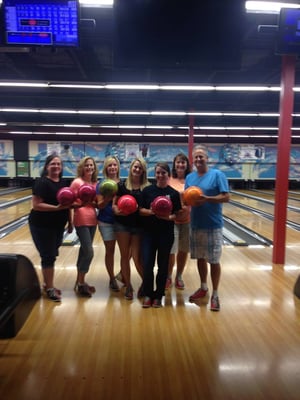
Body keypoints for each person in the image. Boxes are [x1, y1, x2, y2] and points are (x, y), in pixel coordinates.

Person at [186, 144, 230, 311]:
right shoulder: (190, 178)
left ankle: (215, 294)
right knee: (200, 258)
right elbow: (187, 199)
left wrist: (207, 199)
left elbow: (226, 197)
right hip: (195, 224)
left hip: (213, 225)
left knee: (214, 260)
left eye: (201, 157)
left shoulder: (217, 175)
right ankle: (204, 287)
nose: (198, 159)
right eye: (196, 157)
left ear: (207, 158)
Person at [28, 154, 72, 302]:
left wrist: (70, 223)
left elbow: (68, 205)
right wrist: (56, 208)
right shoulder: (42, 183)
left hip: (58, 226)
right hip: (41, 225)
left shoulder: (64, 182)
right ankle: (50, 289)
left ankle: (48, 285)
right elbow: (36, 205)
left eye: (59, 164)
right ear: (47, 166)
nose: (56, 166)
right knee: (48, 256)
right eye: (53, 164)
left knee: (51, 254)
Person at [139, 162, 182, 308]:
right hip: (148, 234)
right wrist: (152, 212)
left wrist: (167, 217)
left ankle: (158, 296)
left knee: (163, 266)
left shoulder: (174, 194)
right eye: (158, 172)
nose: (160, 175)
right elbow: (139, 210)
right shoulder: (147, 191)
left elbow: (177, 215)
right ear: (154, 174)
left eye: (163, 173)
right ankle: (148, 294)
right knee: (148, 265)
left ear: (168, 175)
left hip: (166, 234)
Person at [112, 157, 150, 300]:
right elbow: (114, 204)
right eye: (135, 167)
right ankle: (128, 286)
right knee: (124, 255)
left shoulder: (146, 187)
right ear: (131, 168)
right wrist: (116, 210)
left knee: (136, 257)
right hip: (122, 224)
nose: (137, 170)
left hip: (139, 226)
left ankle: (146, 284)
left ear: (143, 171)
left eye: (140, 168)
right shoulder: (122, 186)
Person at [70, 156, 98, 297]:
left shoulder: (94, 183)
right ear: (82, 167)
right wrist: (81, 204)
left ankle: (79, 280)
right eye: (87, 165)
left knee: (83, 251)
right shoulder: (77, 182)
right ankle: (81, 284)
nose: (89, 168)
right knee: (89, 252)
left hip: (93, 220)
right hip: (81, 219)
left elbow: (96, 203)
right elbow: (69, 202)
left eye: (91, 165)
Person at [166, 153, 191, 290]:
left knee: (183, 250)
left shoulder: (191, 179)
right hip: (173, 221)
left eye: (183, 162)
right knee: (171, 250)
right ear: (174, 164)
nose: (180, 165)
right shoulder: (169, 179)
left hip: (188, 221)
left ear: (187, 165)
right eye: (178, 162)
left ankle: (179, 276)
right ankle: (169, 276)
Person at [97, 155, 121, 291]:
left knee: (128, 252)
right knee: (110, 251)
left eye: (114, 165)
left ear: (118, 167)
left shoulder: (123, 183)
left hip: (122, 222)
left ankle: (123, 274)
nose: (112, 167)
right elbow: (99, 205)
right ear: (106, 168)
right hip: (106, 222)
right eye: (110, 165)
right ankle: (112, 278)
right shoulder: (101, 184)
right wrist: (108, 198)